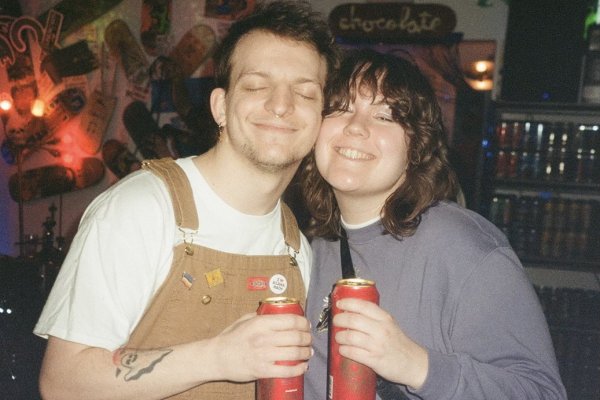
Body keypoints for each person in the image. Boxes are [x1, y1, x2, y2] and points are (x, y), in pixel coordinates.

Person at [34, 2, 338, 399]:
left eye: (304, 92)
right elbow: (62, 384)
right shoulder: (141, 208)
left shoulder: (296, 245)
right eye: (257, 86)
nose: (281, 105)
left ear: (320, 118)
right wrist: (219, 357)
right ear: (220, 107)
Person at [300, 49, 567, 400]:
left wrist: (417, 366)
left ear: (417, 146)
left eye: (385, 116)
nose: (355, 127)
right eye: (342, 108)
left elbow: (542, 392)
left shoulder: (463, 247)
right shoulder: (309, 244)